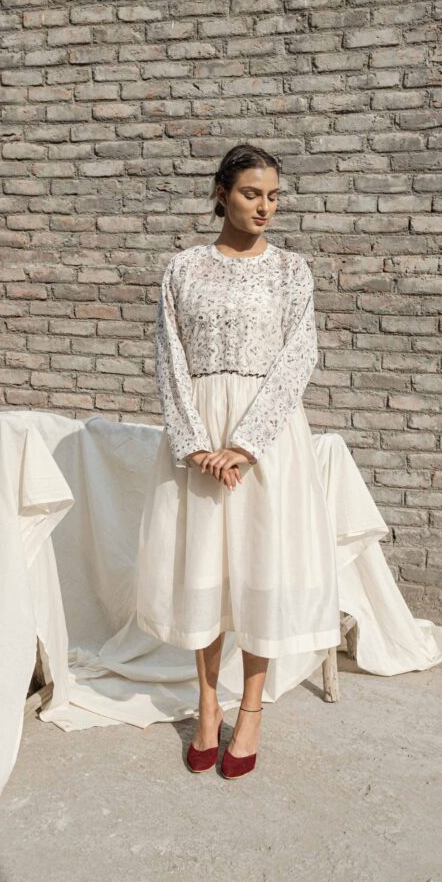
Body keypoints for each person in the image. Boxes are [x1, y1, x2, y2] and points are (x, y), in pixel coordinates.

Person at [135, 143, 340, 779]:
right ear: (222, 194)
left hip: (267, 438)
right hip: (200, 436)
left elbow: (299, 356)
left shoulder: (291, 271)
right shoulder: (183, 268)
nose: (265, 207)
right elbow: (169, 354)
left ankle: (250, 712)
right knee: (204, 571)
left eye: (274, 196)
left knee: (259, 570)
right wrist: (197, 443)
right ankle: (206, 706)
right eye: (253, 194)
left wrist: (246, 444)